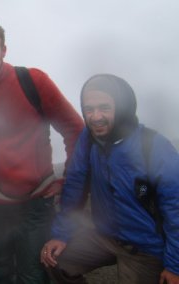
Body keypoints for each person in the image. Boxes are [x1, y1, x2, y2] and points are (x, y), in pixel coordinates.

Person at [0, 20, 84, 284]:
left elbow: (75, 130)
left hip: (33, 203)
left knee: (33, 274)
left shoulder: (32, 81)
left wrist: (67, 180)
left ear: (4, 50)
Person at [41, 74, 179, 284]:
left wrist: (174, 266)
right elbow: (75, 187)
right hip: (104, 236)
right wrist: (61, 235)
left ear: (122, 107)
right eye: (89, 109)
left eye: (104, 107)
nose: (95, 116)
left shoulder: (154, 147)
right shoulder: (89, 139)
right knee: (55, 261)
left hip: (146, 249)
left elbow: (175, 208)